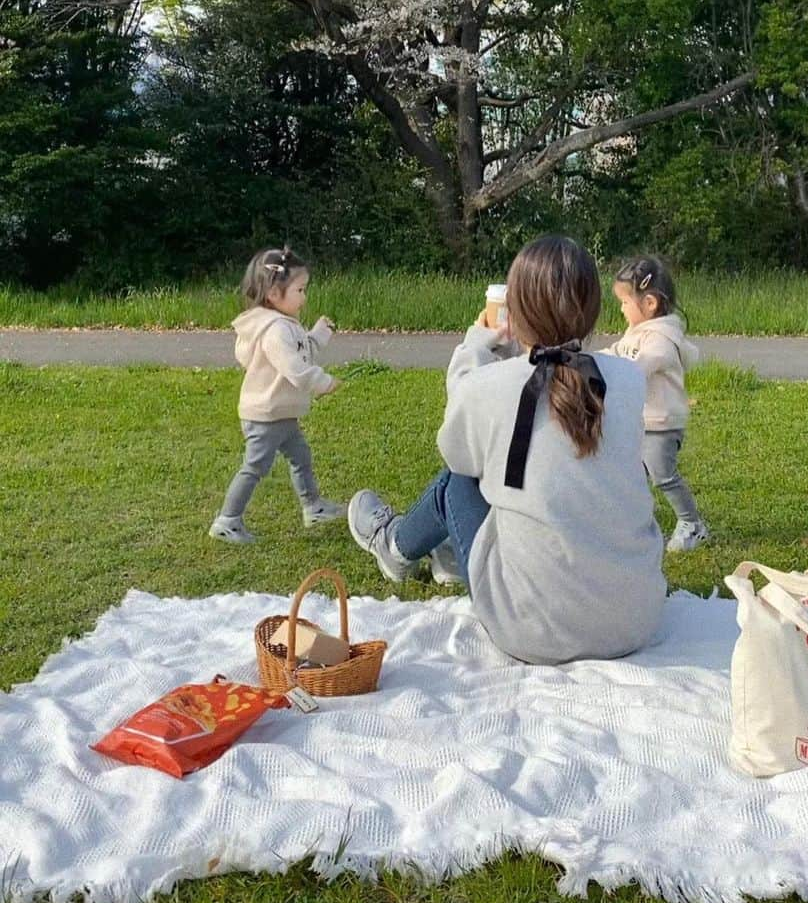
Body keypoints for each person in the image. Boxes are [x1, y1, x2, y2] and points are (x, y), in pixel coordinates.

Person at [347, 235, 667, 665]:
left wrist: (473, 349)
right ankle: (440, 551)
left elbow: (458, 457)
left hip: (534, 631)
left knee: (457, 483)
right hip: (635, 619)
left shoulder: (488, 386)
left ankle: (397, 546)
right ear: (592, 309)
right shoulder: (627, 380)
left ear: (513, 313)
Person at [208, 246, 345, 543]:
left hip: (281, 414)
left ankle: (313, 506)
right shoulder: (274, 331)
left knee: (301, 457)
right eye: (299, 289)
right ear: (273, 294)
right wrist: (323, 382)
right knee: (255, 467)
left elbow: (301, 350)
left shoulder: (283, 325)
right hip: (266, 417)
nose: (304, 296)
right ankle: (227, 520)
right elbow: (295, 367)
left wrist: (319, 334)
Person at [605, 256, 708, 552]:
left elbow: (636, 368)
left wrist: (605, 371)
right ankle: (634, 525)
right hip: (642, 423)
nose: (622, 309)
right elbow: (617, 351)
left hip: (662, 424)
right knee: (634, 477)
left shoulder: (661, 341)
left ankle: (692, 524)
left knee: (664, 476)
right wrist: (591, 360)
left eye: (625, 302)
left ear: (649, 303)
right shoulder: (637, 333)